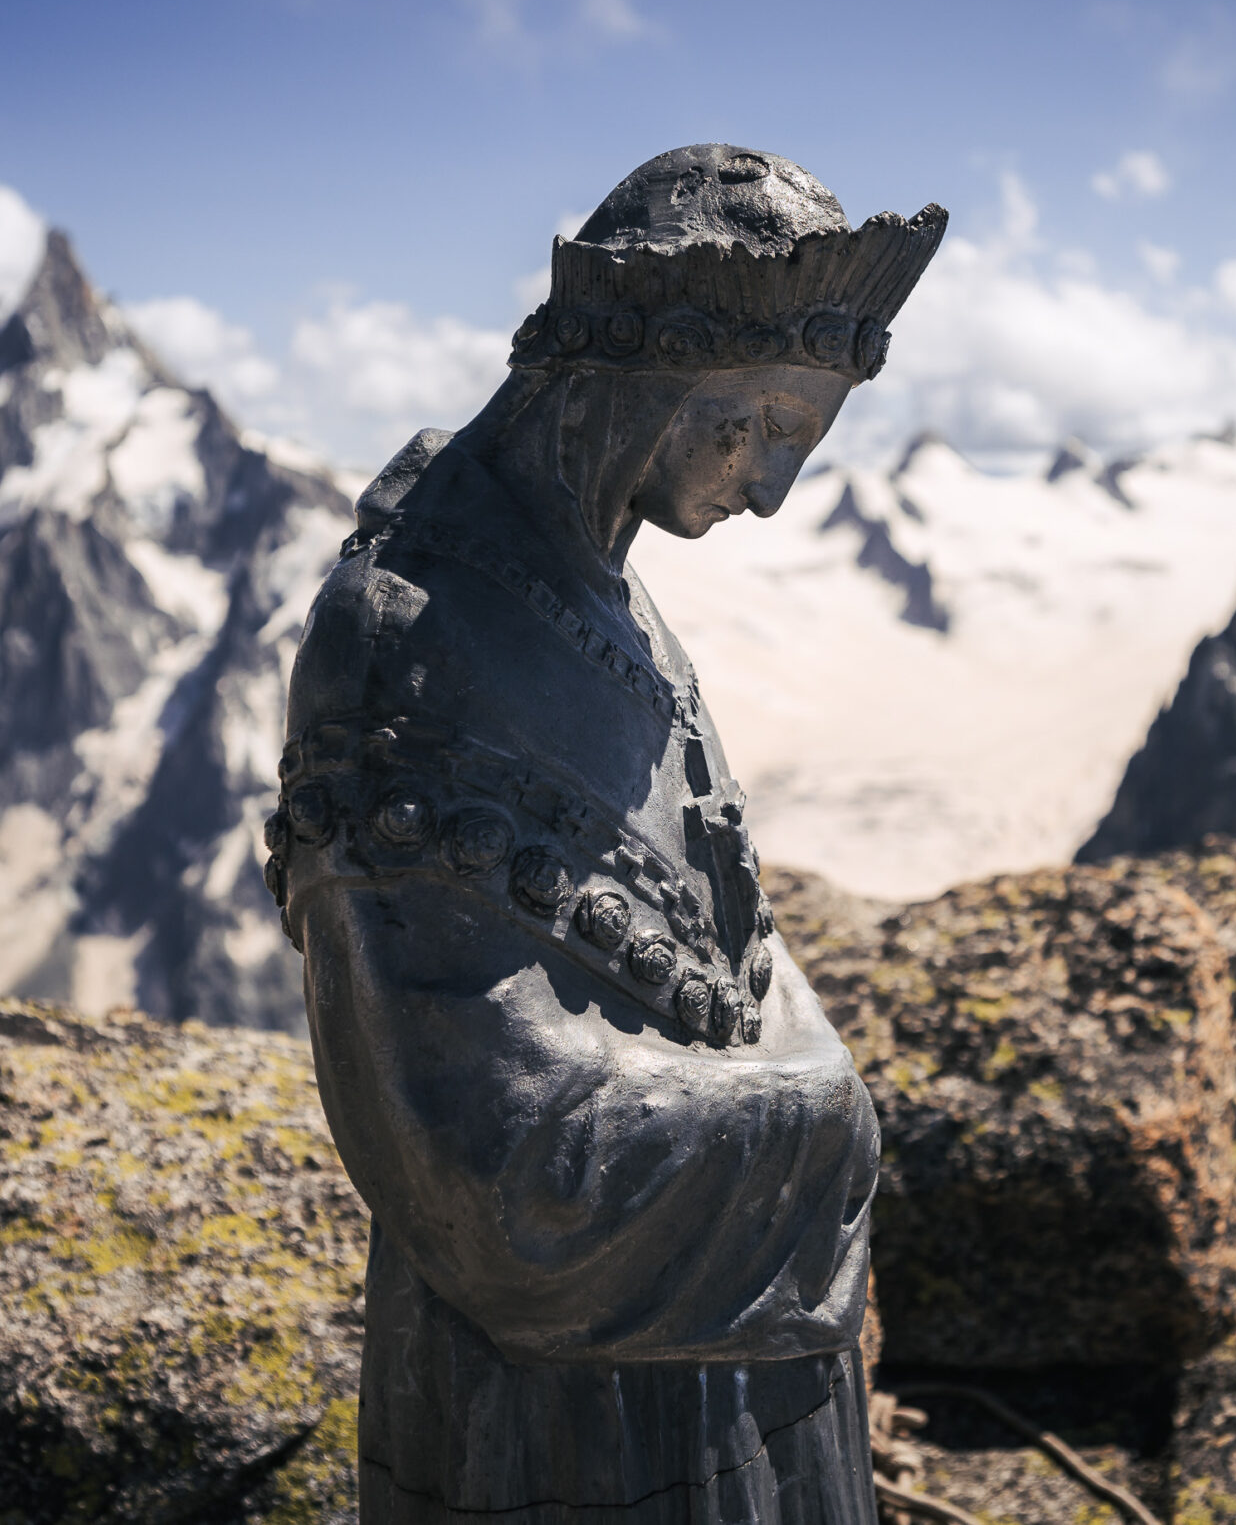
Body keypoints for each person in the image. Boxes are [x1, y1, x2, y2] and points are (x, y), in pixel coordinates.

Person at [267, 144, 946, 1525]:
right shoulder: (403, 638)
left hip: (695, 1367)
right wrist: (816, 1122)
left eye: (796, 443)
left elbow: (728, 943)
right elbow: (468, 1144)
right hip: (552, 1415)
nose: (766, 492)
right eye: (754, 429)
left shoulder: (602, 593)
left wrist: (795, 1086)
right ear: (641, 380)